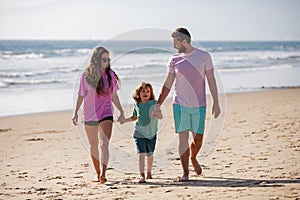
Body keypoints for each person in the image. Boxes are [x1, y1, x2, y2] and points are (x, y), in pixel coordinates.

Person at [152, 27, 221, 181]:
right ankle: (185, 173)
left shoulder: (204, 57)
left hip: (199, 106)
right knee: (182, 139)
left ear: (184, 41)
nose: (174, 46)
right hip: (180, 105)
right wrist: (158, 104)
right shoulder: (174, 60)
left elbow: (211, 80)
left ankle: (194, 157)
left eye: (176, 43)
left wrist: (216, 102)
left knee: (198, 140)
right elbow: (167, 84)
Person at [72, 46, 125, 183]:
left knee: (104, 143)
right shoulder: (86, 76)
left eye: (108, 60)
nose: (106, 63)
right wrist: (75, 113)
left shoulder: (110, 75)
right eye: (103, 60)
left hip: (106, 112)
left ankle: (103, 173)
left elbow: (114, 95)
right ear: (96, 60)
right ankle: (97, 173)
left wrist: (121, 110)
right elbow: (80, 95)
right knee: (93, 144)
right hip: (89, 114)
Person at [120, 82, 162, 183]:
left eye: (148, 91)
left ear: (151, 93)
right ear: (138, 93)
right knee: (141, 153)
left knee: (150, 154)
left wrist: (157, 114)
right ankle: (142, 175)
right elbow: (134, 117)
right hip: (139, 133)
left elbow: (161, 116)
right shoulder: (137, 105)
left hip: (151, 134)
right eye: (143, 91)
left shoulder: (154, 103)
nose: (146, 93)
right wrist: (124, 120)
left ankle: (149, 172)